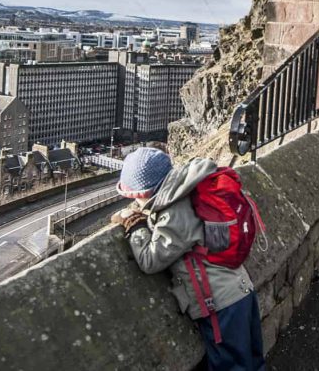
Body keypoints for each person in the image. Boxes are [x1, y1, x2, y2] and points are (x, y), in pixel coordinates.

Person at [113, 147, 265, 371]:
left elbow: (150, 259)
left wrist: (135, 226)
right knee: (252, 362)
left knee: (230, 366)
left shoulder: (174, 211)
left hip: (221, 304)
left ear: (140, 193)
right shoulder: (188, 188)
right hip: (239, 290)